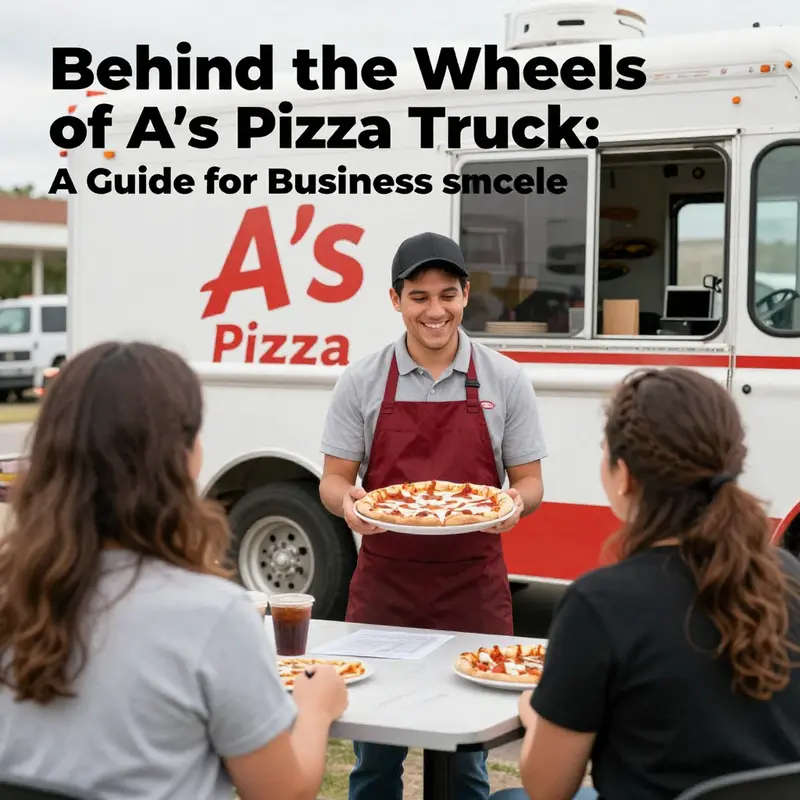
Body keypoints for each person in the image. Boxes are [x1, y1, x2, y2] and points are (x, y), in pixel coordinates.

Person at [0, 341, 348, 800]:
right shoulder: (212, 615)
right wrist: (315, 706)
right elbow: (283, 792)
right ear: (181, 457)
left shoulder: (13, 591)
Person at [490, 367, 800, 800]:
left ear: (624, 474)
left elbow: (546, 789)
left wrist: (535, 714)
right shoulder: (788, 574)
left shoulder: (599, 604)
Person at [319, 231, 548, 800]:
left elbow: (530, 482)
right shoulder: (362, 380)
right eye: (419, 296)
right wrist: (348, 505)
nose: (435, 310)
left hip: (472, 586)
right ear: (395, 300)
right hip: (385, 589)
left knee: (465, 759)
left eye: (447, 294)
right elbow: (334, 480)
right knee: (374, 760)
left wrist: (515, 505)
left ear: (467, 295)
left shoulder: (506, 378)